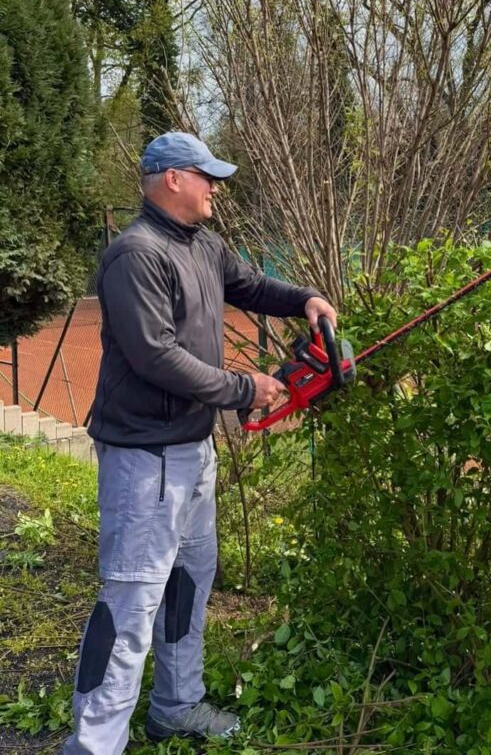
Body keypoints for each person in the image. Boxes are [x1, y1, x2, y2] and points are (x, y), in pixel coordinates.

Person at [61, 132, 337, 755]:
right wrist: (245, 388)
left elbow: (251, 286)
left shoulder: (202, 244)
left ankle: (175, 708)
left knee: (188, 583)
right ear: (171, 180)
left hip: (192, 450)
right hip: (144, 457)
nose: (216, 186)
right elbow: (155, 356)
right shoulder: (137, 254)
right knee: (131, 602)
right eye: (205, 175)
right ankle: (94, 742)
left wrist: (305, 300)